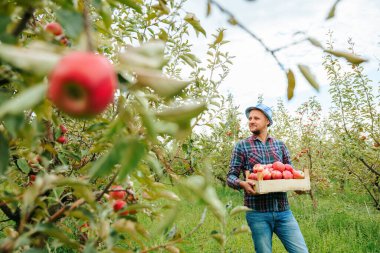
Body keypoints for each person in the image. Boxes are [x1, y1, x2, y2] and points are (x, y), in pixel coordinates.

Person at [226, 103, 308, 253]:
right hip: (257, 213)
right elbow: (230, 177)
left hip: (283, 211)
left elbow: (289, 174)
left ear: (267, 121)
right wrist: (242, 183)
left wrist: (298, 186)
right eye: (250, 118)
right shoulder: (242, 146)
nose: (251, 121)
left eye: (256, 118)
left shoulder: (280, 145)